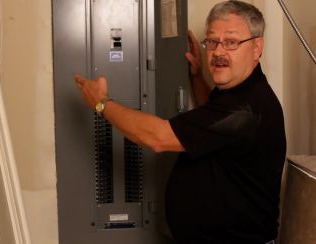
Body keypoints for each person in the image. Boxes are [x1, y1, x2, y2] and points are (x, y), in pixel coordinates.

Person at [75, 1, 286, 243]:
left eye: (231, 42)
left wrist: (102, 103)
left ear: (257, 48)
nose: (218, 52)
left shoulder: (245, 109)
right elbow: (214, 123)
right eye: (213, 42)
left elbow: (158, 137)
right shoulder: (238, 95)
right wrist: (197, 77)